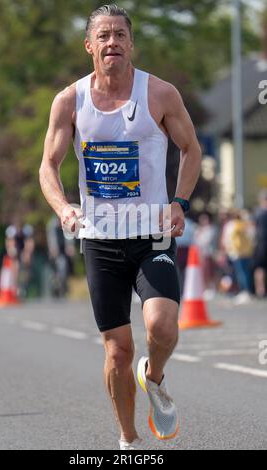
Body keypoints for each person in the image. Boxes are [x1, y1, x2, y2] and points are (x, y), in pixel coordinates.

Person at [39, 4, 201, 450]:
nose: (113, 43)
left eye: (120, 36)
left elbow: (192, 150)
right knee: (117, 351)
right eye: (104, 36)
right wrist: (63, 208)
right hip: (100, 239)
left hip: (152, 233)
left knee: (163, 327)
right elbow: (48, 167)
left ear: (131, 44)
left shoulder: (160, 94)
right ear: (90, 46)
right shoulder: (70, 101)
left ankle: (155, 376)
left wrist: (179, 202)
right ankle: (129, 439)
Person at [253, 190, 267, 298]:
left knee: (259, 268)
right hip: (262, 242)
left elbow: (254, 230)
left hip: (261, 243)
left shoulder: (259, 213)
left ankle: (260, 290)